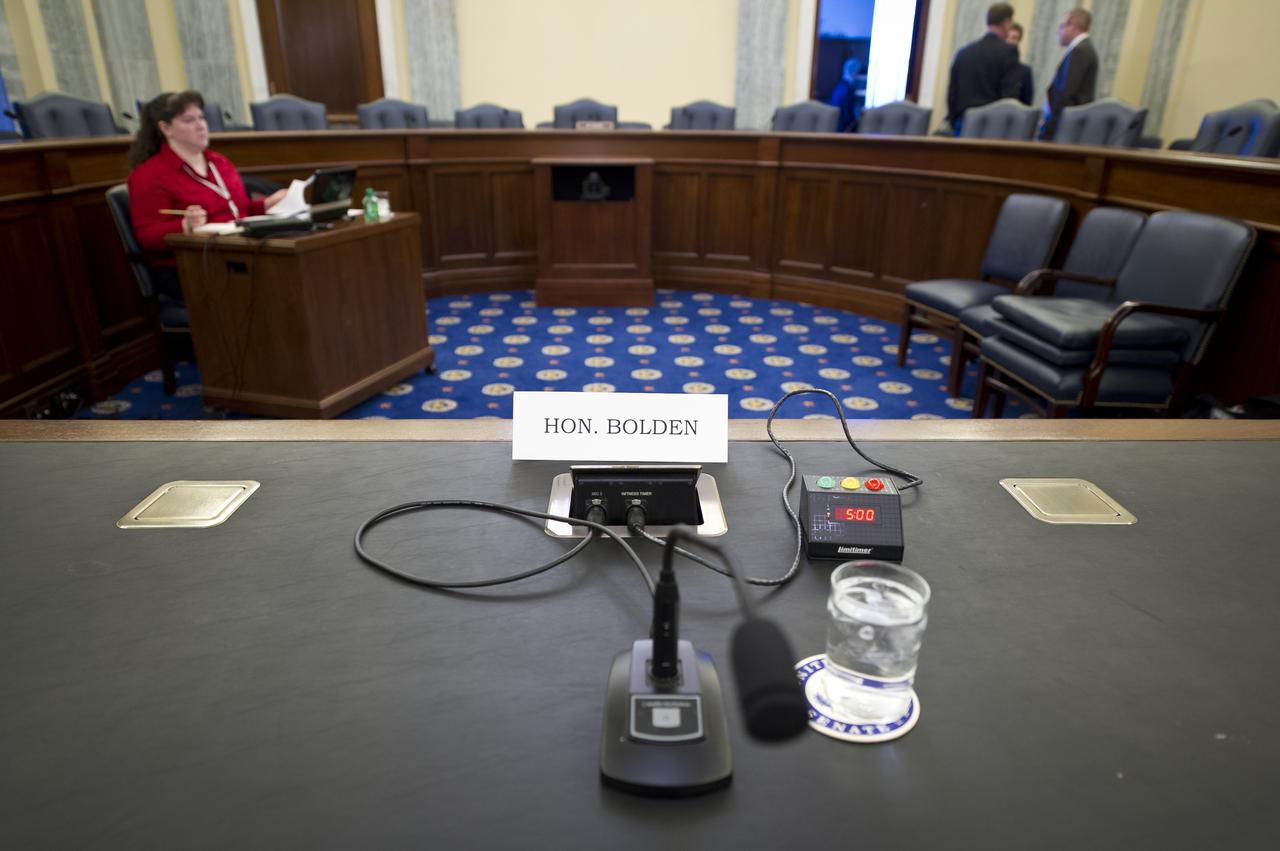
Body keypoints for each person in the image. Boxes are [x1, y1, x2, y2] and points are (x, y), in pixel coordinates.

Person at [127, 90, 287, 256]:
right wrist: (185, 225)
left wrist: (267, 204)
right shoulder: (148, 175)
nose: (201, 125)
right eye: (189, 120)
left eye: (201, 117)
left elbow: (239, 210)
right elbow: (147, 238)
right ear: (166, 128)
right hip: (193, 264)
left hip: (241, 250)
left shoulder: (220, 162)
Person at [945, 3, 1022, 135]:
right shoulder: (1009, 52)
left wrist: (955, 122)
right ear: (1006, 23)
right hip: (993, 129)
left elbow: (952, 93)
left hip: (962, 127)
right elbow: (1009, 97)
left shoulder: (963, 53)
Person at [1039, 8, 1098, 140]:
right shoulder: (1083, 49)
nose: (1058, 31)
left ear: (1073, 26)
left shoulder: (1080, 51)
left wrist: (1049, 129)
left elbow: (1065, 94)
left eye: (1061, 26)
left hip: (1065, 129)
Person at [828, 58, 862, 133]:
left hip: (835, 125)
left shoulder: (840, 86)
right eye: (857, 72)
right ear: (854, 72)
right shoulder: (847, 89)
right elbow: (847, 113)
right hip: (843, 128)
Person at [1007, 22, 1035, 106]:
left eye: (1014, 38)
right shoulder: (993, 67)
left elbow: (1027, 102)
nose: (1010, 41)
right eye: (1008, 37)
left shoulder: (1025, 71)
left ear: (1019, 41)